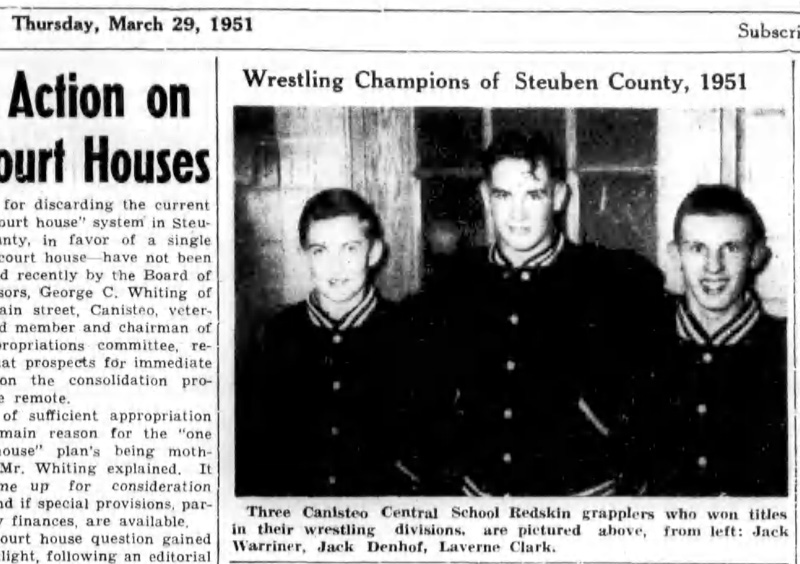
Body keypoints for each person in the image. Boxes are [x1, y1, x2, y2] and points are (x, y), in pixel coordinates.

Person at [409, 131, 664, 496]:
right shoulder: (450, 286)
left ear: (559, 196)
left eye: (533, 195)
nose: (517, 214)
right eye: (503, 195)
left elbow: (650, 416)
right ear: (485, 197)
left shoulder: (614, 283)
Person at [236, 188, 413, 496]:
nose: (335, 266)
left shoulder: (407, 334)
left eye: (349, 249)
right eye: (320, 250)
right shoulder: (275, 335)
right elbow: (253, 449)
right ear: (305, 255)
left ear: (373, 253)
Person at [638, 184, 787, 496]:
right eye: (697, 248)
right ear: (675, 254)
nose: (714, 266)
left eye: (730, 248)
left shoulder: (787, 351)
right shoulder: (641, 346)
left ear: (756, 255)